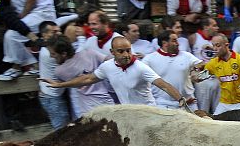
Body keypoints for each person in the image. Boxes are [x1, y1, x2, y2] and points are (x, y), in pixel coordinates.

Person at [45, 37, 184, 107]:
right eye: (121, 51)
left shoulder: (140, 67)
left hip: (149, 113)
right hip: (128, 115)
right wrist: (60, 85)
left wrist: (181, 100)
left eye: (128, 50)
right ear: (112, 52)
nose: (126, 55)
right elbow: (87, 79)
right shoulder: (107, 66)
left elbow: (163, 84)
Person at [50, 35, 114, 118]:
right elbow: (111, 60)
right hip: (107, 102)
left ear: (63, 54)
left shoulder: (59, 71)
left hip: (87, 109)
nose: (51, 56)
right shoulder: (89, 52)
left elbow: (57, 90)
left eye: (53, 54)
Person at [143, 30, 203, 110]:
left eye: (177, 40)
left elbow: (201, 64)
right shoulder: (149, 59)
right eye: (174, 40)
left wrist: (195, 71)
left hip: (189, 102)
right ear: (165, 43)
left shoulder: (186, 55)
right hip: (163, 105)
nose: (178, 43)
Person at [204, 33, 240, 113]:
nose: (215, 49)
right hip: (225, 104)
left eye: (218, 45)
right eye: (213, 45)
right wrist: (196, 76)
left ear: (226, 45)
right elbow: (201, 76)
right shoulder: (212, 63)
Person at [37, 23, 69, 129]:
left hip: (50, 94)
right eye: (54, 32)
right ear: (44, 35)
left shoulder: (46, 48)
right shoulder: (50, 54)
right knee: (61, 129)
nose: (58, 33)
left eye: (58, 31)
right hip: (52, 96)